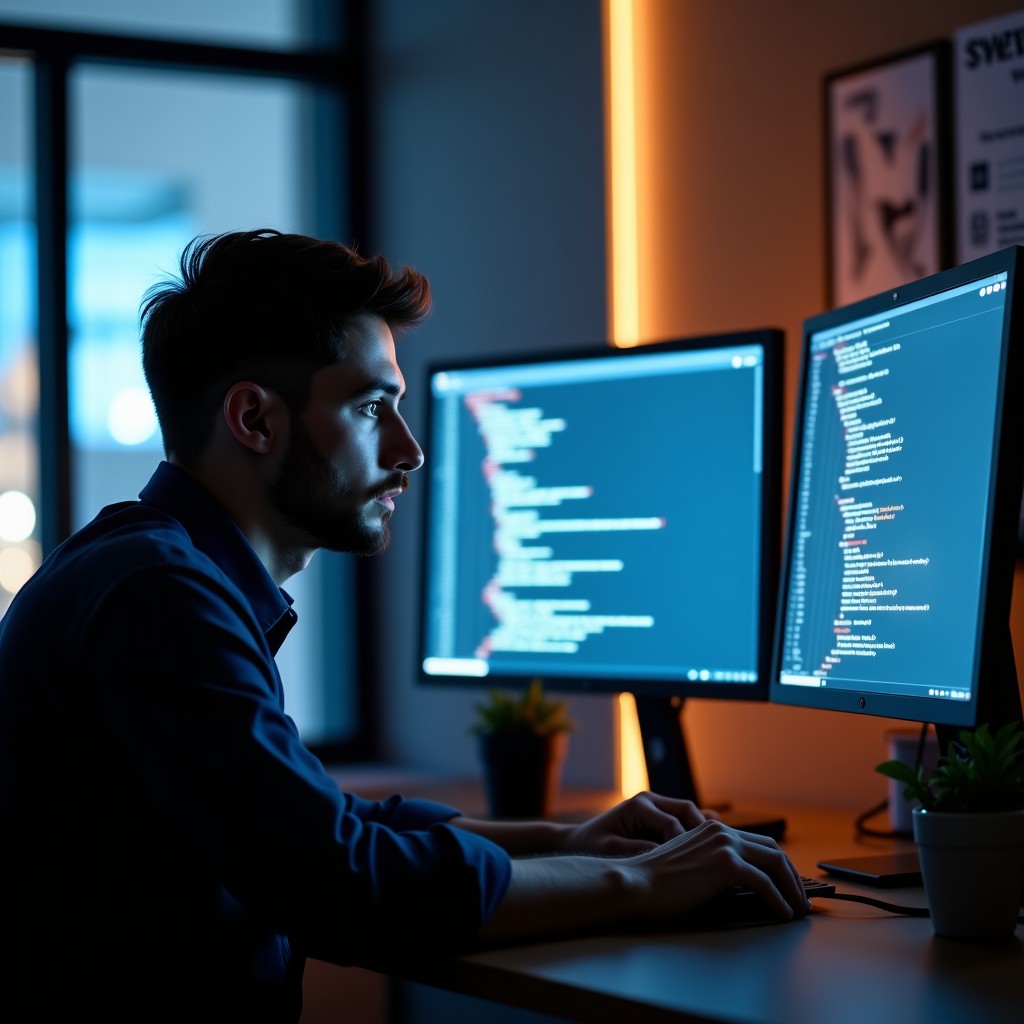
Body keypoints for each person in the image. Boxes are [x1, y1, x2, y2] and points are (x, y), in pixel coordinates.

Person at [0, 229, 809, 1020]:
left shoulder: (148, 568)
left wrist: (569, 842)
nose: (412, 449)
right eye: (371, 406)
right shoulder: (157, 596)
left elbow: (317, 822)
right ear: (254, 419)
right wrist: (648, 883)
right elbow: (339, 879)